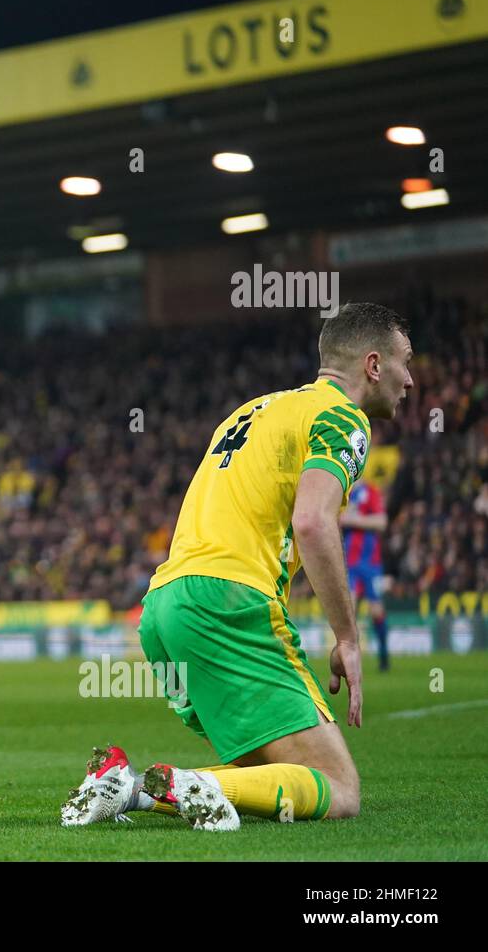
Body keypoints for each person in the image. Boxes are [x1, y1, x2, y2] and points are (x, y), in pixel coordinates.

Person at [62, 303, 412, 830]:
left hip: (164, 608)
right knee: (339, 789)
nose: (411, 379)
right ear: (373, 365)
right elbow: (314, 524)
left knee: (271, 774)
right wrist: (347, 637)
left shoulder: (251, 411)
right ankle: (161, 783)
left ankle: (123, 787)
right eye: (405, 361)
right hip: (230, 603)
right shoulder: (341, 416)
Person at [341, 477, 390, 671]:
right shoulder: (342, 491)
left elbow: (382, 522)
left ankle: (384, 656)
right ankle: (350, 659)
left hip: (371, 564)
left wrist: (354, 520)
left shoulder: (371, 492)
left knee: (376, 610)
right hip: (349, 564)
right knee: (348, 612)